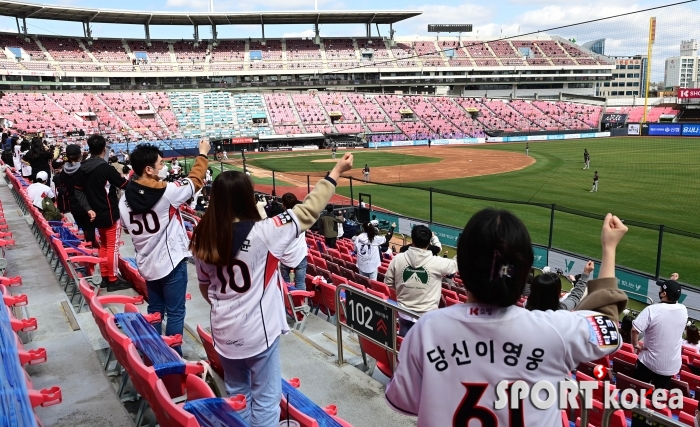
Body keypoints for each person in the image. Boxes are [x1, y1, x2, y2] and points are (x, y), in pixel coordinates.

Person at [385, 210, 629, 425]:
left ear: (463, 268)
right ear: (524, 276)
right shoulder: (554, 331)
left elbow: (406, 404)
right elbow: (607, 323)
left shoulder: (427, 329)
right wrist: (609, 249)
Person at [191, 154, 353, 427]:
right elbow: (309, 209)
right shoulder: (266, 230)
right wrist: (336, 171)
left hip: (223, 329)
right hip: (258, 333)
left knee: (237, 395)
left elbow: (206, 288)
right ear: (247, 197)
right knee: (266, 398)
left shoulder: (202, 235)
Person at [119, 140, 210, 356]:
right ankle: (173, 355)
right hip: (171, 262)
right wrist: (203, 154)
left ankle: (151, 351)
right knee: (176, 312)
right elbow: (195, 180)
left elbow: (124, 227)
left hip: (146, 261)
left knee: (155, 310)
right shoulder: (167, 192)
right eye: (160, 164)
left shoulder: (124, 200)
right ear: (148, 170)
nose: (163, 168)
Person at [74, 135, 130, 291]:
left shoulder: (82, 167)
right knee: (112, 246)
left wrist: (88, 209)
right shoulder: (105, 168)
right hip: (110, 212)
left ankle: (106, 276)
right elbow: (124, 184)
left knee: (104, 245)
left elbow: (78, 192)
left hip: (94, 213)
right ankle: (112, 279)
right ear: (104, 149)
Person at [385, 225, 458, 336]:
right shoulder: (437, 262)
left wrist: (404, 289)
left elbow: (388, 283)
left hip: (404, 312)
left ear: (412, 240)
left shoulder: (398, 259)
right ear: (429, 243)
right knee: (424, 349)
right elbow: (456, 265)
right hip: (427, 316)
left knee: (404, 345)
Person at [632, 273, 687, 390]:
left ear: (664, 293)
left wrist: (636, 345)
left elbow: (634, 330)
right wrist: (671, 282)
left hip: (648, 362)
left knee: (637, 392)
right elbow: (666, 305)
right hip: (669, 366)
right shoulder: (683, 310)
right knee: (659, 400)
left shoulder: (652, 309)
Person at [61, 145, 97, 247]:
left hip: (73, 204)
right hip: (86, 203)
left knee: (83, 227)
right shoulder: (83, 170)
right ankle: (90, 249)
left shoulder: (63, 172)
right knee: (90, 228)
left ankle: (87, 246)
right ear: (79, 155)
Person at [525, 261, 593, 311]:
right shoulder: (562, 309)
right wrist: (586, 273)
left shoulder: (524, 306)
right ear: (558, 293)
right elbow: (575, 296)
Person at [279, 193, 308, 290]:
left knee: (286, 285)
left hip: (285, 257)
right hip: (299, 256)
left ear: (283, 204)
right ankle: (300, 304)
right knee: (300, 283)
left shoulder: (279, 219)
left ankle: (288, 304)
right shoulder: (301, 217)